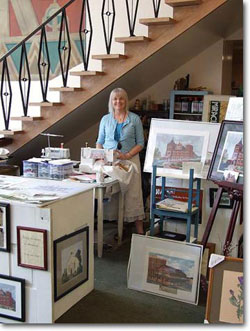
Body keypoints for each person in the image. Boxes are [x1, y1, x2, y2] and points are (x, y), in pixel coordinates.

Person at [96, 88, 145, 235]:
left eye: (121, 98)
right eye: (115, 99)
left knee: (133, 195)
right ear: (111, 101)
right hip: (111, 162)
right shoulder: (105, 119)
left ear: (126, 100)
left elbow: (141, 143)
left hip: (130, 161)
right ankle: (116, 226)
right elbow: (100, 141)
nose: (118, 101)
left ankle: (140, 231)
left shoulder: (134, 119)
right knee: (112, 194)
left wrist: (127, 155)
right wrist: (101, 155)